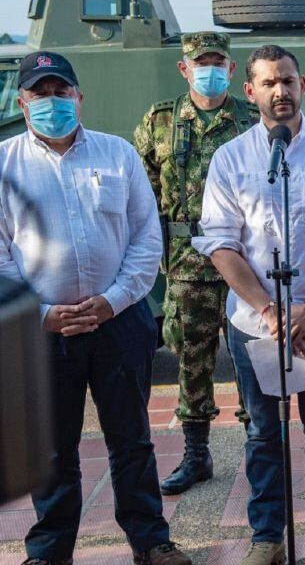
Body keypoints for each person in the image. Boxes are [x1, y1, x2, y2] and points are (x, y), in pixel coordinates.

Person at [0, 51, 190, 565]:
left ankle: (151, 541)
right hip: (41, 330)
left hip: (120, 322)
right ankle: (49, 550)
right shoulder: (3, 164)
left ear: (80, 98)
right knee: (54, 450)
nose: (53, 102)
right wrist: (42, 313)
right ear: (22, 101)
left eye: (62, 92)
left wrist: (112, 301)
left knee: (132, 441)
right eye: (41, 93)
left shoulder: (118, 154)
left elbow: (147, 239)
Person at [193, 45, 305, 565]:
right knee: (261, 432)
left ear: (304, 86)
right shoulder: (231, 159)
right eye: (269, 83)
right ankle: (267, 537)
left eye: (289, 81)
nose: (281, 91)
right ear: (249, 91)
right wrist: (272, 312)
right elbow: (220, 244)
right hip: (256, 323)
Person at [133, 31, 258, 496]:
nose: (209, 69)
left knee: (253, 356)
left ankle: (260, 449)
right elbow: (143, 194)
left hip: (246, 260)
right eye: (198, 62)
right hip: (187, 263)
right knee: (192, 362)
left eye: (217, 62)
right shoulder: (160, 121)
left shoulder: (251, 119)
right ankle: (196, 455)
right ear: (184, 69)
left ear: (230, 68)